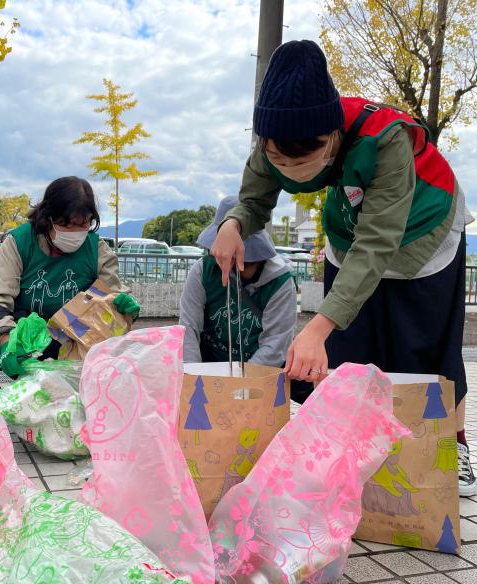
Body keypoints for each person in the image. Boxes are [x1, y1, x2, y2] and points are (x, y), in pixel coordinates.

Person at [210, 40, 475, 495]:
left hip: (422, 228)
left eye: (304, 158)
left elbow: (378, 242)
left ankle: (453, 445)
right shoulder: (272, 137)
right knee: (350, 356)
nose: (291, 170)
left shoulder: (385, 137)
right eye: (278, 159)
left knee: (425, 351)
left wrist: (315, 327)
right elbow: (254, 199)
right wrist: (234, 223)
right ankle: (353, 452)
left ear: (332, 136)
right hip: (350, 231)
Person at [0, 176, 140, 393]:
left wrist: (122, 305)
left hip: (77, 351)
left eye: (82, 224)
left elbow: (111, 294)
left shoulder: (96, 250)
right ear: (47, 218)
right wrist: (6, 340)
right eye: (66, 224)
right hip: (27, 347)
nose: (74, 232)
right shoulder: (20, 242)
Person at [180, 196, 297, 367]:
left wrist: (240, 386)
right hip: (207, 370)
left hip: (257, 376)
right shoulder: (203, 271)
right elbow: (188, 329)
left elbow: (275, 347)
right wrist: (193, 376)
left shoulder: (280, 283)